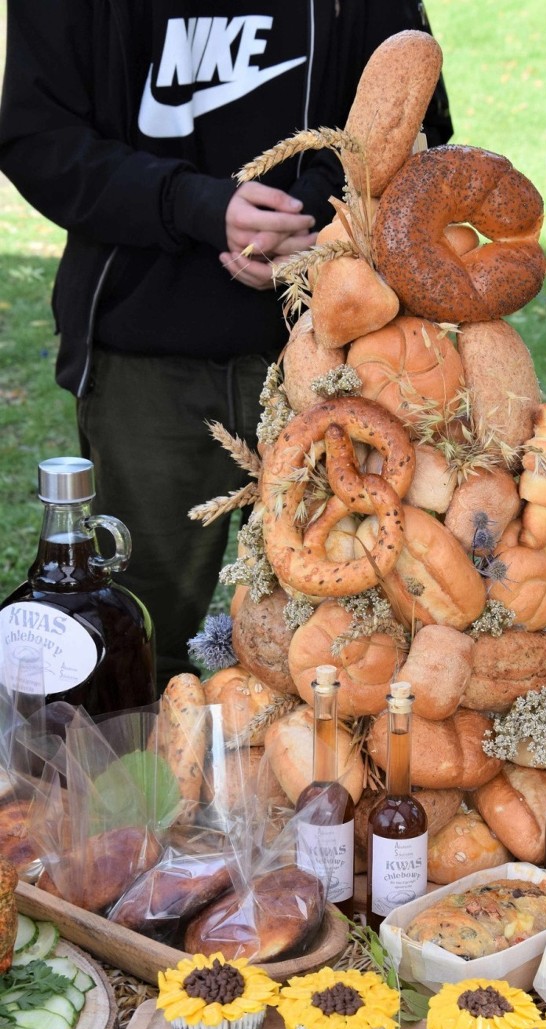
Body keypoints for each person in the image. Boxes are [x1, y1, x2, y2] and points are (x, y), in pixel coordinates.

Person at [0, 1, 452, 692]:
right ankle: (134, 796)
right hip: (145, 358)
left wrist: (318, 217)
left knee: (350, 657)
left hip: (336, 352)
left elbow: (411, 111)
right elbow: (39, 138)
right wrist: (193, 206)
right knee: (137, 648)